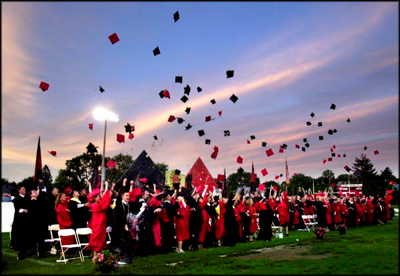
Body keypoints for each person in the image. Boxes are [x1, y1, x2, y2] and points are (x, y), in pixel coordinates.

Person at [112, 190, 134, 264]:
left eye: (128, 195)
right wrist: (123, 225)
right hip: (119, 229)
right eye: (126, 195)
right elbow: (116, 218)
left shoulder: (129, 205)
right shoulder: (118, 206)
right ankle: (120, 258)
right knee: (120, 244)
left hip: (128, 228)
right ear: (122, 197)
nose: (128, 197)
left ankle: (127, 258)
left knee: (128, 243)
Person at [87, 187, 111, 254]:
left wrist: (103, 191)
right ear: (94, 198)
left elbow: (104, 202)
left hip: (102, 224)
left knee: (102, 238)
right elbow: (105, 202)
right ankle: (95, 255)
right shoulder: (95, 206)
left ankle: (101, 255)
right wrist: (105, 189)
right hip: (97, 224)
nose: (99, 198)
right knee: (97, 238)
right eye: (98, 197)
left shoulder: (98, 205)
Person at [10, 186, 30, 256]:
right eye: (23, 189)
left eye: (25, 189)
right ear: (19, 191)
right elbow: (17, 208)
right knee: (17, 231)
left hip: (26, 218)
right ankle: (16, 245)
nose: (25, 190)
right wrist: (23, 210)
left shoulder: (27, 198)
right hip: (19, 218)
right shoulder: (17, 199)